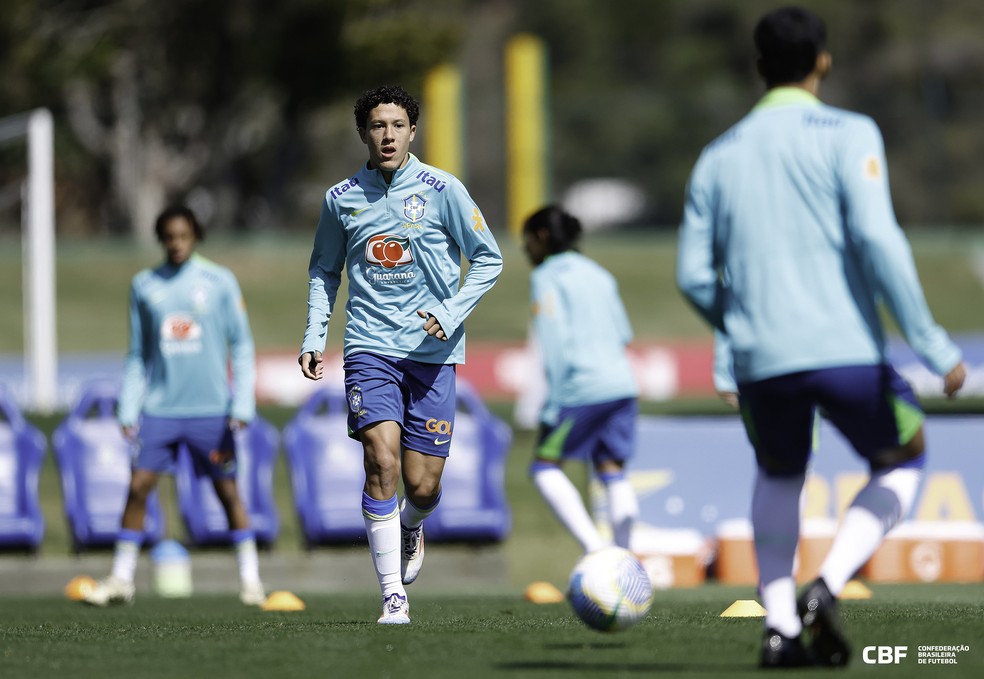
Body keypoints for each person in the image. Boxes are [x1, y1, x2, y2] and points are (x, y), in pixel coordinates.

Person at [676, 6, 966, 669]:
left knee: (779, 470)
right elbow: (876, 237)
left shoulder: (717, 155)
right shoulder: (851, 131)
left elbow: (692, 275)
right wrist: (931, 343)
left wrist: (739, 322)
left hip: (760, 359)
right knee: (904, 456)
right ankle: (827, 585)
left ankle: (777, 625)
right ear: (823, 62)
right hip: (845, 352)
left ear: (758, 69)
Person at [298, 85, 502, 624]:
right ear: (363, 132)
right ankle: (393, 595)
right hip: (369, 346)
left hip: (433, 353)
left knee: (423, 485)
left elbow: (488, 259)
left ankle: (412, 524)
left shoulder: (443, 189)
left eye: (396, 125)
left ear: (413, 131)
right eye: (376, 126)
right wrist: (315, 335)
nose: (386, 135)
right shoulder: (341, 198)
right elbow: (324, 269)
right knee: (379, 461)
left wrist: (451, 313)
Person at [83, 205, 265, 607]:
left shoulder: (219, 281)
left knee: (228, 492)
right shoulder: (145, 286)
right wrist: (128, 406)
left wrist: (242, 402)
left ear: (195, 235)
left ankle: (251, 581)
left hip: (212, 411)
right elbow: (138, 354)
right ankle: (121, 579)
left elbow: (242, 345)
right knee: (138, 487)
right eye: (169, 237)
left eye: (183, 236)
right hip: (160, 411)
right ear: (161, 239)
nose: (177, 244)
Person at [521, 206, 639, 555]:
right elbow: (624, 334)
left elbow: (553, 342)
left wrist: (554, 401)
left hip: (580, 388)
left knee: (544, 468)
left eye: (527, 242)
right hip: (622, 385)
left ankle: (596, 551)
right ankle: (625, 556)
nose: (526, 251)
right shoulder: (600, 275)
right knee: (612, 469)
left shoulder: (546, 277)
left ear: (542, 237)